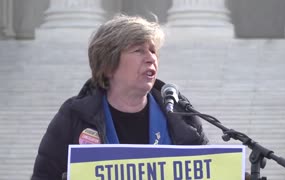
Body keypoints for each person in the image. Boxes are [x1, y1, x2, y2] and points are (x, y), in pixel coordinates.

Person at [31, 14, 208, 180]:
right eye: (139, 50)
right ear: (108, 64)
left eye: (153, 51)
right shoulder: (74, 116)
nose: (151, 58)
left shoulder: (181, 115)